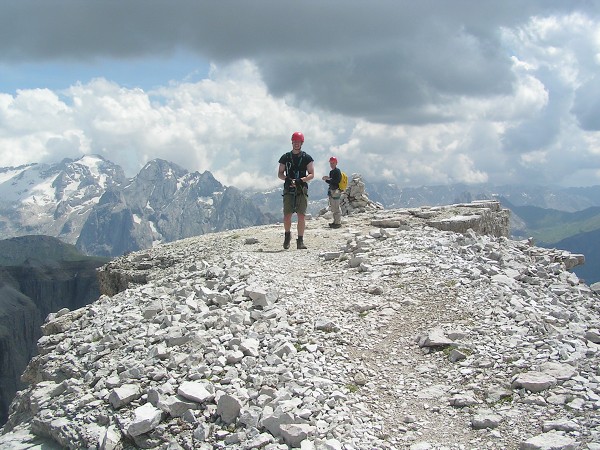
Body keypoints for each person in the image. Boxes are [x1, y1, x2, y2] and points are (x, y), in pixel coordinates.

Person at [278, 131, 315, 249]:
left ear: (301, 143)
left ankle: (300, 240)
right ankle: (287, 236)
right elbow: (280, 173)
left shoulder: (307, 158)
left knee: (301, 216)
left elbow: (311, 174)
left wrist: (301, 180)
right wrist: (287, 179)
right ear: (292, 142)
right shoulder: (285, 157)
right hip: (289, 189)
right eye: (294, 142)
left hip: (301, 188)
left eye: (298, 142)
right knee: (287, 215)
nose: (296, 144)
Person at [322, 156, 342, 228]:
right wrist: (326, 180)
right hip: (332, 190)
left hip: (336, 190)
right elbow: (331, 182)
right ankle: (335, 222)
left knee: (336, 207)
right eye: (331, 163)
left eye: (333, 163)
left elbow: (337, 181)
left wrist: (329, 179)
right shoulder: (331, 172)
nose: (331, 164)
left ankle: (338, 223)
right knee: (334, 207)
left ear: (336, 163)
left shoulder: (337, 171)